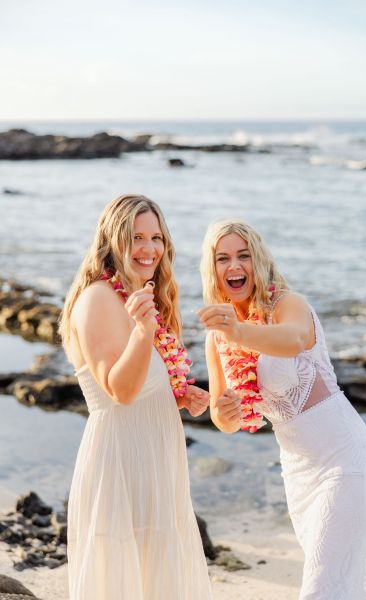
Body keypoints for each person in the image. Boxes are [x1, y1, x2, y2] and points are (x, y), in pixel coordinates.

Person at [198, 219, 366, 600]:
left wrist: (238, 331)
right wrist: (225, 410)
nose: (234, 266)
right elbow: (223, 419)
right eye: (223, 258)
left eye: (243, 255)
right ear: (213, 269)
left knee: (321, 583)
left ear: (259, 261)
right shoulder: (217, 336)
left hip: (346, 460)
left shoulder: (288, 304)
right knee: (342, 581)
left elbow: (293, 339)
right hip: (299, 472)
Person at [60, 194, 212, 600]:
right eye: (137, 237)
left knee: (155, 575)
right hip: (121, 463)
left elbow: (140, 381)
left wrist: (179, 395)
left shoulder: (137, 296)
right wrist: (144, 331)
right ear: (113, 240)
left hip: (155, 456)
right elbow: (119, 392)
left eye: (156, 237)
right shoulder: (98, 299)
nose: (149, 249)